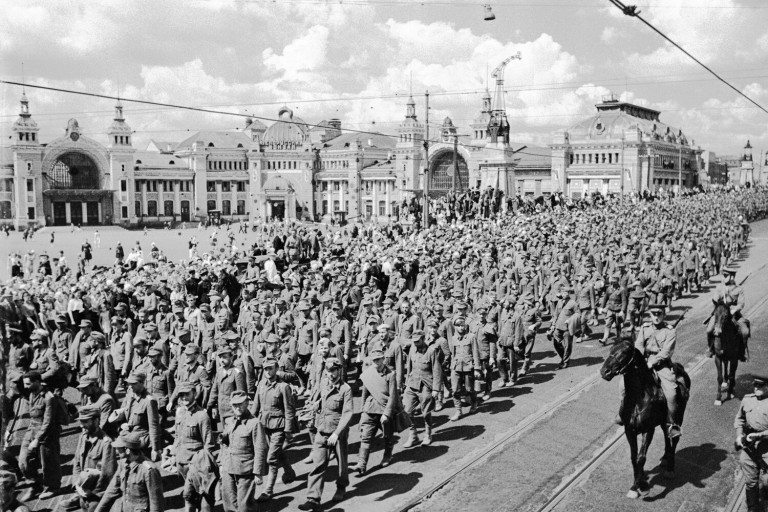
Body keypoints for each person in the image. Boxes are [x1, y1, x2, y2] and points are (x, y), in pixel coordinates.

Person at [298, 357, 353, 511]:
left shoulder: (345, 389)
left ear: (339, 370)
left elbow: (347, 413)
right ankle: (313, 499)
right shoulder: (323, 384)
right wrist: (315, 406)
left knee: (342, 465)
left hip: (338, 433)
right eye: (328, 371)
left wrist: (337, 433)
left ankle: (341, 487)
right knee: (318, 465)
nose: (331, 374)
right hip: (322, 431)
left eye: (333, 371)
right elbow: (322, 400)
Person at [250, 357, 296, 501]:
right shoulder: (261, 385)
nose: (268, 372)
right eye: (265, 369)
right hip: (264, 425)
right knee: (277, 452)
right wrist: (248, 422)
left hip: (279, 427)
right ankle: (289, 472)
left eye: (270, 368)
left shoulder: (283, 387)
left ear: (276, 369)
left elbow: (289, 410)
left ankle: (268, 490)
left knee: (271, 458)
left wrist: (288, 430)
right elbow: (255, 406)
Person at [634, 304, 681, 439]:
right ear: (650, 315)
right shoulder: (645, 327)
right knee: (623, 385)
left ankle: (672, 424)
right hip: (644, 362)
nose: (656, 317)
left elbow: (666, 352)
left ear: (664, 315)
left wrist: (652, 362)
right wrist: (641, 359)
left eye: (659, 314)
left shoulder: (670, 331)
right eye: (653, 314)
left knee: (671, 393)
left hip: (661, 365)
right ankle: (623, 414)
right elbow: (639, 344)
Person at [57, 406, 117, 512]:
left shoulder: (106, 443)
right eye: (81, 421)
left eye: (85, 421)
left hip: (96, 497)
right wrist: (77, 485)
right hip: (82, 493)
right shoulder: (83, 437)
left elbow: (107, 475)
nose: (81, 425)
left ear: (96, 421)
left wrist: (91, 492)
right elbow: (77, 463)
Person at [18, 371, 65, 500]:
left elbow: (48, 422)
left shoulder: (49, 398)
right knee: (23, 461)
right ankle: (34, 485)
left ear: (37, 382)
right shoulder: (32, 393)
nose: (25, 386)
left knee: (49, 463)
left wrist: (37, 439)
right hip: (32, 430)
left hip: (47, 434)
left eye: (28, 384)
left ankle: (53, 487)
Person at [353, 349, 399, 476]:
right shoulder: (368, 374)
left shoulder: (391, 374)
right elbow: (364, 394)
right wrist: (362, 411)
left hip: (384, 410)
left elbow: (393, 396)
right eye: (374, 360)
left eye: (378, 359)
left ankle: (387, 455)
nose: (376, 362)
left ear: (383, 359)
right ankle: (361, 464)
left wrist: (387, 414)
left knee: (388, 436)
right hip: (370, 409)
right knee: (365, 436)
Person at [94, 432, 164, 512]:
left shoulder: (149, 470)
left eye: (119, 448)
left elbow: (156, 504)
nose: (116, 450)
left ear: (127, 450)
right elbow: (112, 490)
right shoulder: (123, 463)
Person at [219, 391, 259, 512]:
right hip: (229, 465)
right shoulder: (230, 422)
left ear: (246, 403)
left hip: (245, 468)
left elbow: (260, 449)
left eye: (240, 404)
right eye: (234, 405)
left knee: (244, 505)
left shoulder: (254, 423)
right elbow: (224, 444)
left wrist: (258, 472)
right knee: (228, 502)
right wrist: (222, 463)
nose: (237, 407)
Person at [734, 374, 768, 512]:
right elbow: (739, 419)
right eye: (755, 385)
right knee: (750, 481)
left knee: (766, 481)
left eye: (760, 385)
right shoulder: (747, 400)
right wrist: (739, 435)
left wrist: (758, 436)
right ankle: (752, 508)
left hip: (766, 447)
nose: (756, 388)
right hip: (749, 447)